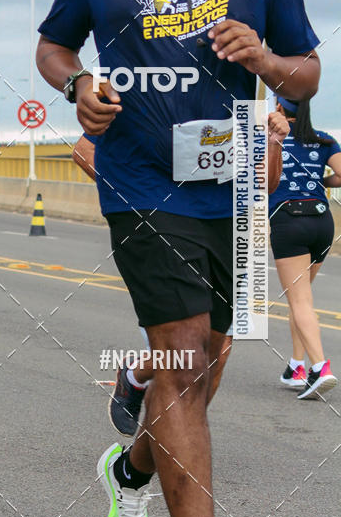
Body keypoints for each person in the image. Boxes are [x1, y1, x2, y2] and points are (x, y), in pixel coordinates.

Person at [38, 0, 319, 517]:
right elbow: (54, 46)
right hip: (140, 184)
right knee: (184, 358)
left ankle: (128, 472)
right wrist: (78, 85)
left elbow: (305, 73)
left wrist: (264, 60)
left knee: (202, 371)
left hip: (234, 188)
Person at [75, 106, 290, 438]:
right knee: (183, 353)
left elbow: (268, 184)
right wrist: (135, 197)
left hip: (234, 239)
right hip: (171, 232)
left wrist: (274, 140)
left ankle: (169, 434)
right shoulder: (160, 92)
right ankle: (159, 422)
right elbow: (83, 149)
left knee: (216, 354)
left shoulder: (247, 112)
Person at [269, 96, 340, 398]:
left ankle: (319, 368)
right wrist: (321, 181)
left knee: (300, 301)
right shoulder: (324, 139)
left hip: (289, 219)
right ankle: (296, 367)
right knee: (302, 300)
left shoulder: (271, 139)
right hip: (322, 222)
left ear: (279, 108)